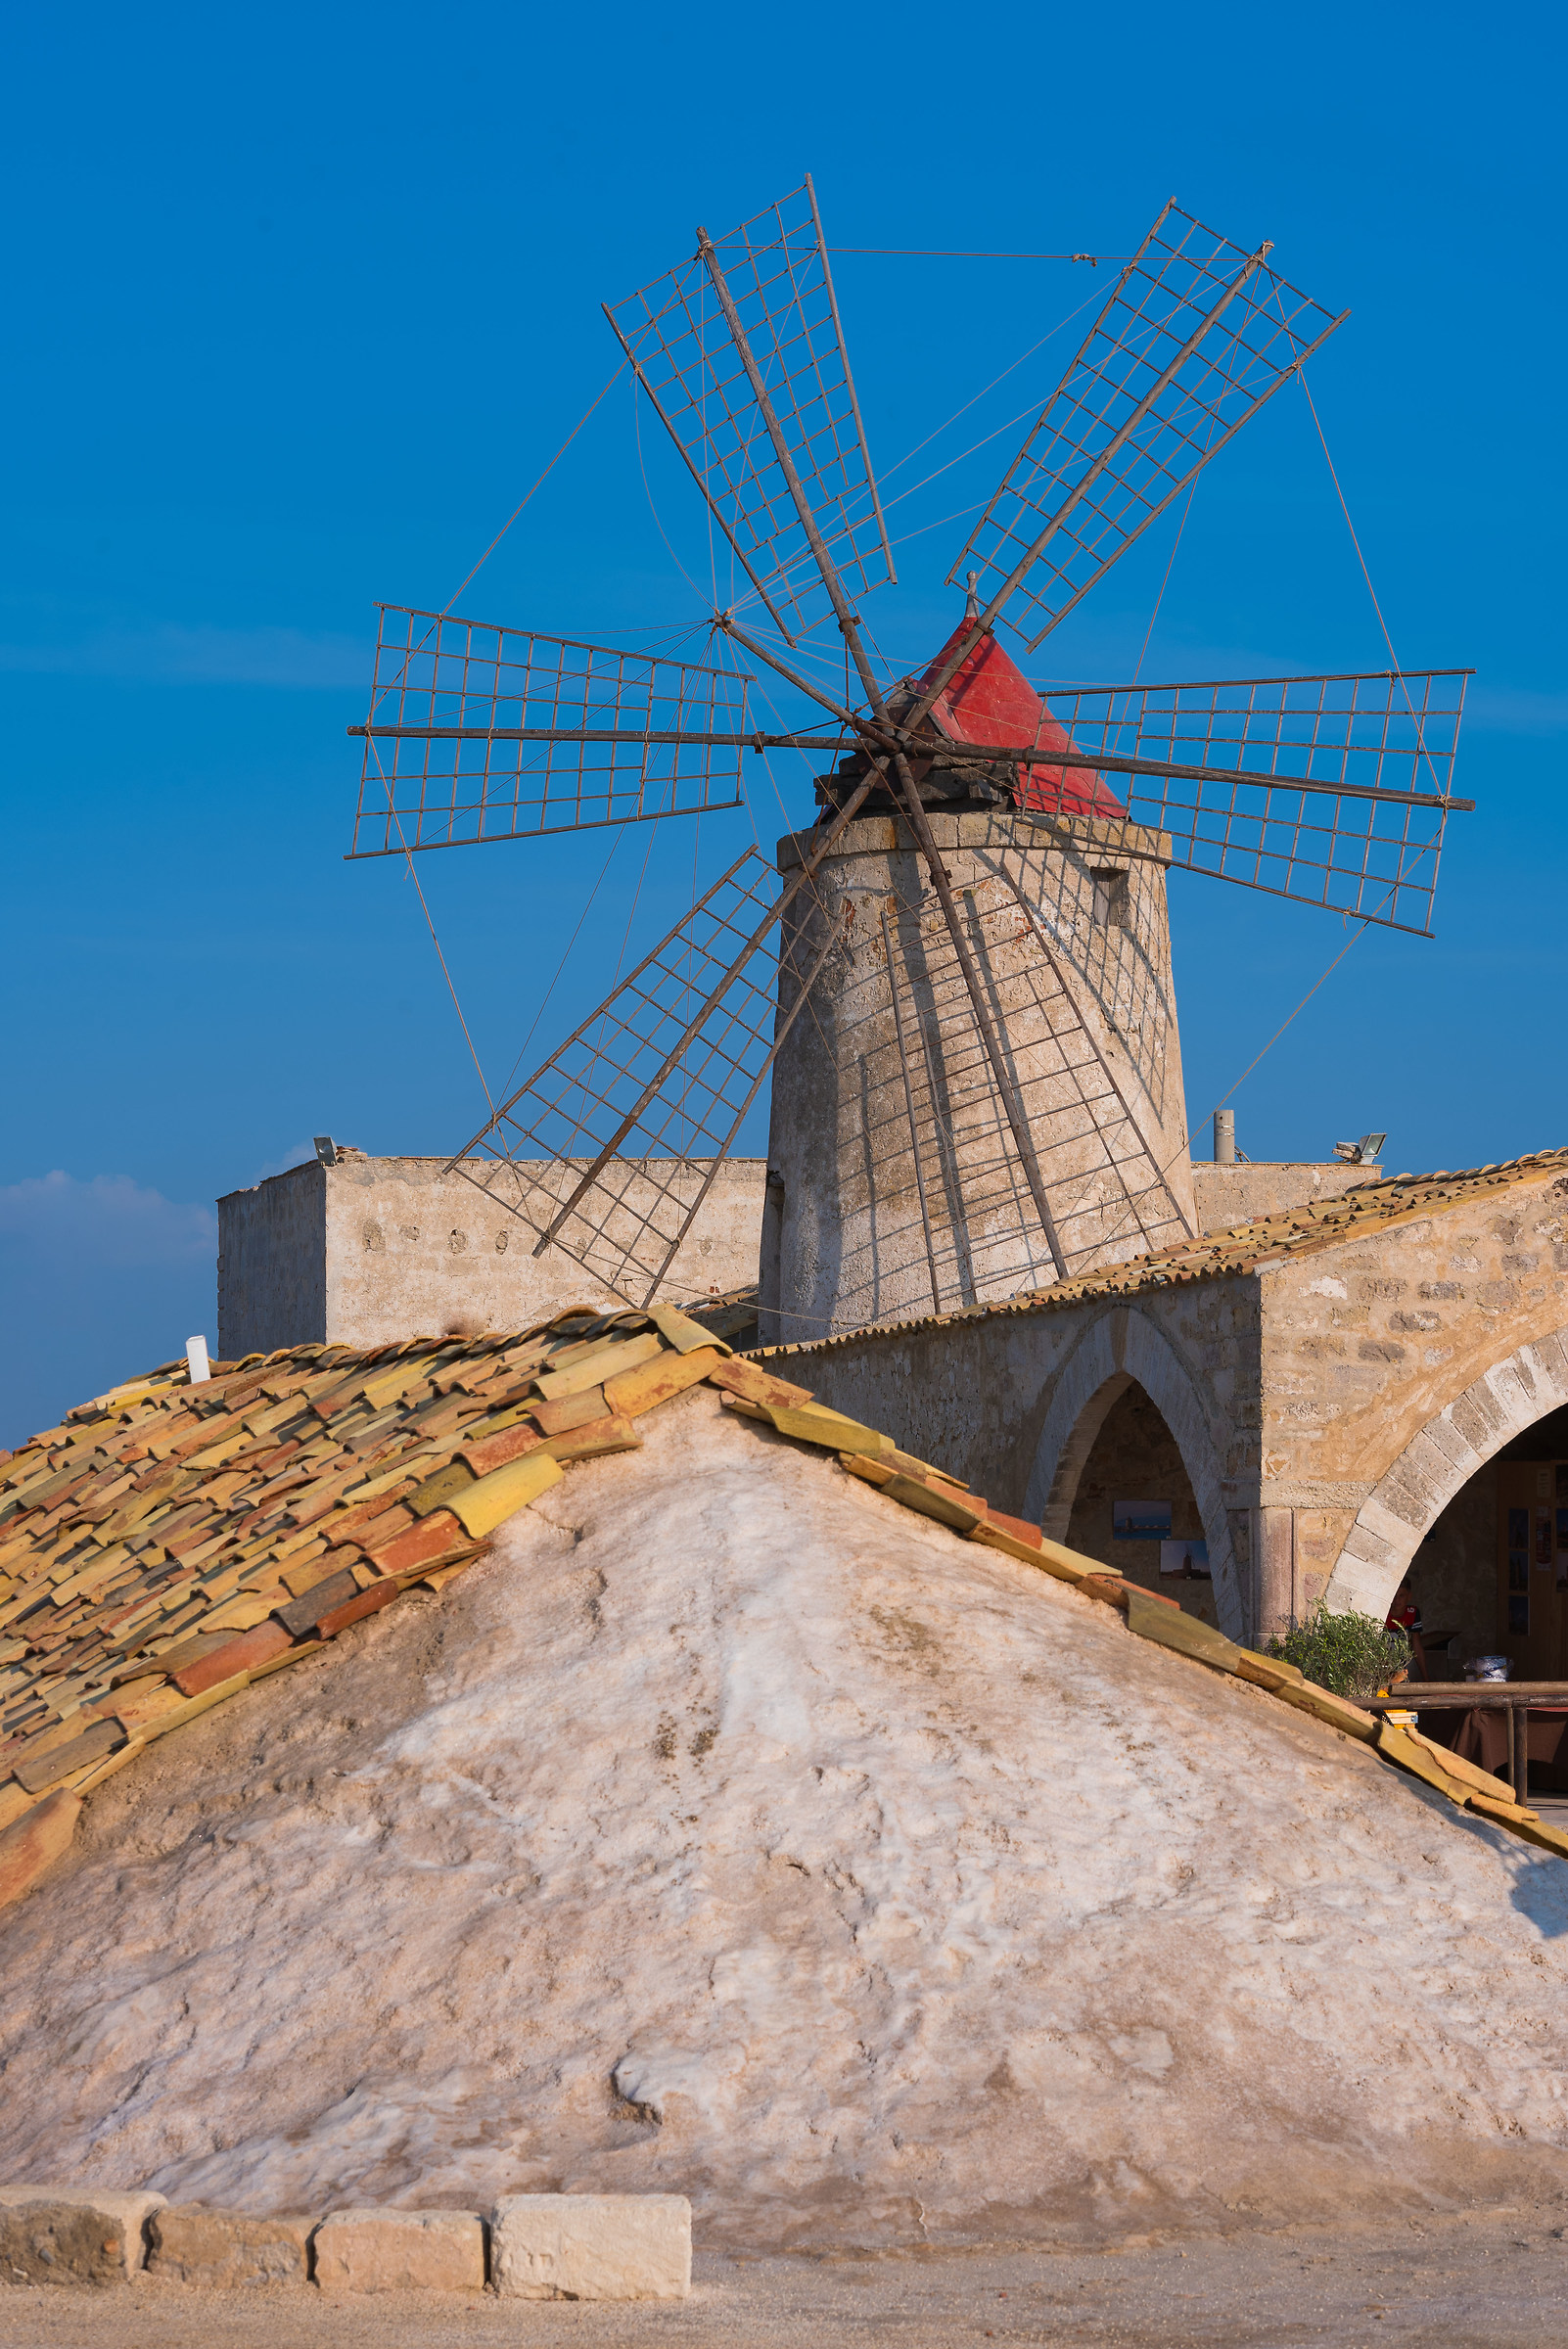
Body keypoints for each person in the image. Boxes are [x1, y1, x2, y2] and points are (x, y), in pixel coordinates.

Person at [1386, 1577, 1427, 1680]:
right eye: (1394, 1596)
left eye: (1401, 1596)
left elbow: (1416, 1645)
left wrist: (1426, 1677)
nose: (1397, 1600)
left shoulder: (1412, 1613)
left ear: (1409, 1596)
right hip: (1383, 1666)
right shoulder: (1384, 1613)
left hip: (1404, 1667)